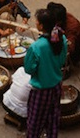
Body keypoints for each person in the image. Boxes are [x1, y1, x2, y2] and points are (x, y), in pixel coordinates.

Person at [24, 8, 68, 138]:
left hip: (41, 90)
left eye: (36, 21)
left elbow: (29, 69)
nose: (35, 23)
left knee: (34, 123)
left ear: (42, 25)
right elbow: (61, 61)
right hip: (56, 87)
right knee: (52, 120)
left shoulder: (36, 47)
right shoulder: (62, 38)